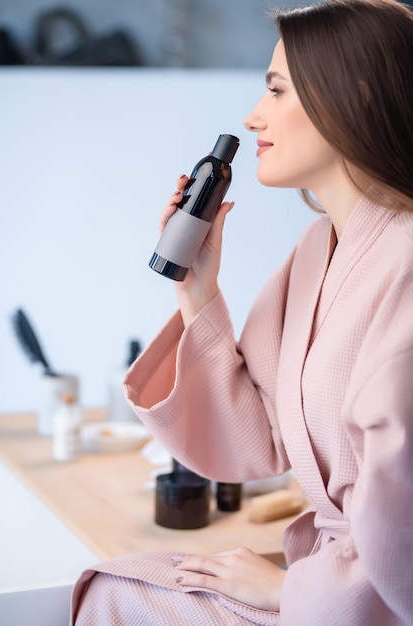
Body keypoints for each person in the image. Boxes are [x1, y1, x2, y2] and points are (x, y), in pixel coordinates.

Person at [70, 0, 413, 623]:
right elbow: (260, 440)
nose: (254, 117)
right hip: (330, 582)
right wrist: (198, 290)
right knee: (112, 582)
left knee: (118, 594)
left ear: (356, 97)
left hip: (368, 600)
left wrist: (294, 590)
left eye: (277, 90)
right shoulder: (317, 249)